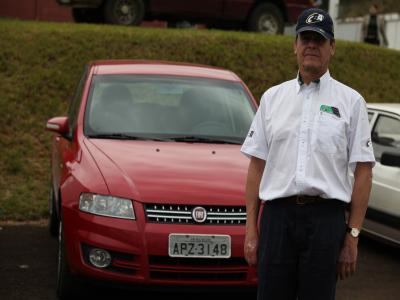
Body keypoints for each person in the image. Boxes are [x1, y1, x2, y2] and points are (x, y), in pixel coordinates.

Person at [241, 8, 375, 300]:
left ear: (332, 47)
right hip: (277, 218)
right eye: (306, 38)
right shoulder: (273, 98)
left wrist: (352, 236)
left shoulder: (351, 102)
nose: (311, 45)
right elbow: (256, 167)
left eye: (320, 39)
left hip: (325, 221)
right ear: (295, 45)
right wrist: (251, 230)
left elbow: (364, 173)